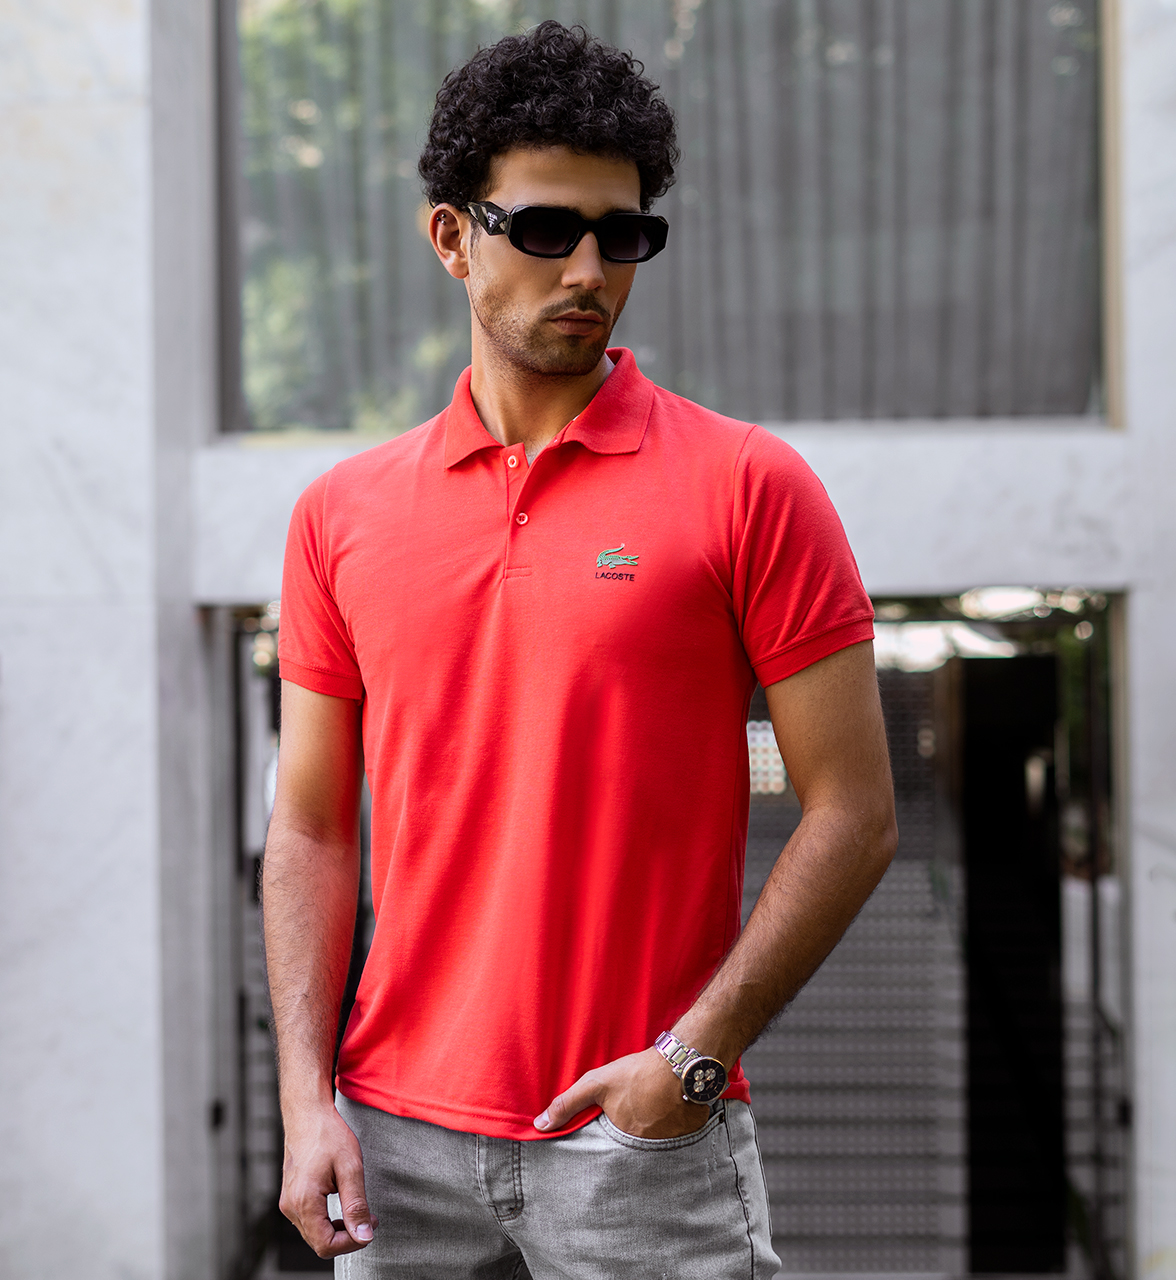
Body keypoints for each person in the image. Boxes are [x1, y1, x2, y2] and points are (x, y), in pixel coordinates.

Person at [266, 20, 896, 1279]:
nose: (589, 269)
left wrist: (692, 1058)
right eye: (546, 229)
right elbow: (313, 826)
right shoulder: (340, 514)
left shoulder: (748, 486)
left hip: (637, 1138)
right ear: (451, 237)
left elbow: (855, 812)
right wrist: (302, 1099)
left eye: (623, 235)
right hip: (388, 1138)